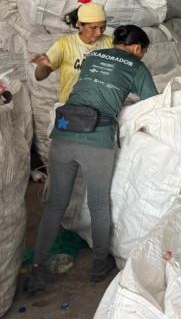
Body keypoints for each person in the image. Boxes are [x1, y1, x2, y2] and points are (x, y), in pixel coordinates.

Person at [26, 25, 158, 293]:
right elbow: (153, 103)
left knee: (55, 204)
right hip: (96, 138)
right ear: (136, 48)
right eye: (142, 52)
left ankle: (37, 268)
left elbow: (94, 90)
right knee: (98, 203)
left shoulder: (94, 57)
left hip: (64, 131)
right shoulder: (136, 65)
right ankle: (99, 264)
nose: (141, 56)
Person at [31, 0, 114, 103]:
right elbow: (39, 76)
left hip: (102, 107)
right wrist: (43, 65)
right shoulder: (64, 45)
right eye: (93, 28)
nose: (98, 33)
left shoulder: (111, 44)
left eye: (102, 27)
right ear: (80, 24)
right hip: (71, 109)